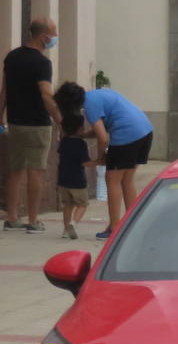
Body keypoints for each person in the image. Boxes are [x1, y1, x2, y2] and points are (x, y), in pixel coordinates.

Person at [54, 82, 154, 240]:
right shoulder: (98, 94)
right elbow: (102, 127)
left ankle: (114, 227)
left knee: (112, 179)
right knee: (127, 180)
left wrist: (101, 158)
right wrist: (85, 135)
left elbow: (103, 137)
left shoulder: (89, 106)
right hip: (145, 131)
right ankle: (132, 223)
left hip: (126, 135)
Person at [0, 18, 62, 233]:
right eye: (53, 34)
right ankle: (33, 220)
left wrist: (1, 118)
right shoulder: (42, 63)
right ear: (44, 36)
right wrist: (59, 119)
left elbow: (4, 91)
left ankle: (12, 217)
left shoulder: (12, 57)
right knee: (36, 171)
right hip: (38, 124)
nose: (54, 38)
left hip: (15, 122)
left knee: (14, 171)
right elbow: (46, 94)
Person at [56, 112, 92, 239]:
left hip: (63, 180)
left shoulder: (64, 142)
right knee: (82, 204)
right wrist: (99, 162)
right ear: (80, 129)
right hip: (78, 181)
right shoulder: (81, 144)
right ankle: (74, 222)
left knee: (67, 205)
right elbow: (85, 163)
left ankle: (66, 230)